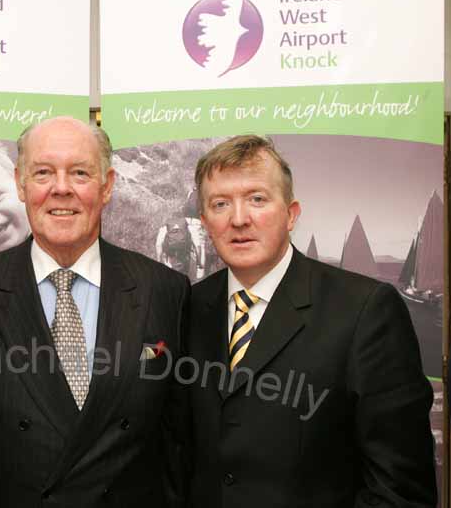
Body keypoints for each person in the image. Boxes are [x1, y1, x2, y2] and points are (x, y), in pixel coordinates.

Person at [0, 116, 190, 508]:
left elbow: (178, 443)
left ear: (106, 187)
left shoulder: (165, 290)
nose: (61, 189)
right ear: (22, 184)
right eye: (43, 173)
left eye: (79, 173)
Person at [187, 135, 436, 507]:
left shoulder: (366, 311)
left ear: (291, 214)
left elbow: (401, 489)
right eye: (221, 204)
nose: (239, 219)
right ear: (206, 222)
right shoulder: (188, 306)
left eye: (257, 199)